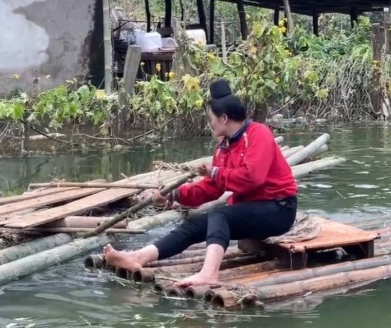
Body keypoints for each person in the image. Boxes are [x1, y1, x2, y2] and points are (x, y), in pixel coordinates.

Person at [103, 78, 298, 287]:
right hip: (250, 210)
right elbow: (211, 188)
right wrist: (174, 195)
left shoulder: (258, 134)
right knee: (194, 225)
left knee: (220, 215)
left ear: (223, 118)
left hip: (279, 209)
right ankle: (139, 257)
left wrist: (214, 171)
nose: (210, 123)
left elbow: (252, 178)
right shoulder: (223, 147)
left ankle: (209, 274)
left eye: (211, 118)